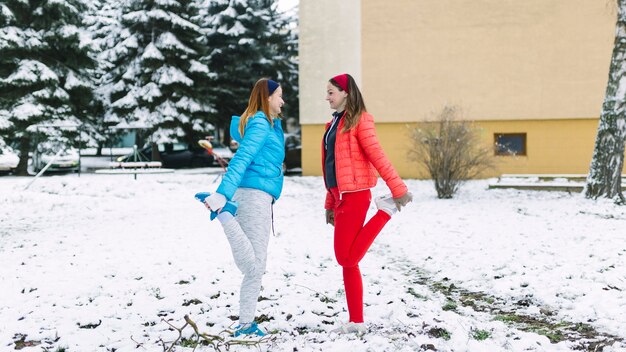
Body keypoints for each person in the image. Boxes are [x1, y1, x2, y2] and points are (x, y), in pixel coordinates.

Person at [322, 73, 413, 334]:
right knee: (350, 261)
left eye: (331, 92)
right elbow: (331, 167)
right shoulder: (333, 125)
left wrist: (398, 188)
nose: (327, 97)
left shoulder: (360, 120)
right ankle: (356, 322)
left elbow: (377, 154)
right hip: (341, 196)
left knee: (346, 257)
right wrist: (329, 203)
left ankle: (385, 211)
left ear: (346, 93)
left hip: (357, 194)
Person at [196, 78, 285, 337]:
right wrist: (223, 194)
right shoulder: (260, 122)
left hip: (258, 195)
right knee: (254, 267)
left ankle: (246, 324)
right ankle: (224, 214)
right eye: (279, 95)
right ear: (267, 98)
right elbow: (243, 157)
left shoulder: (267, 124)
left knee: (255, 267)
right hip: (254, 195)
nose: (282, 101)